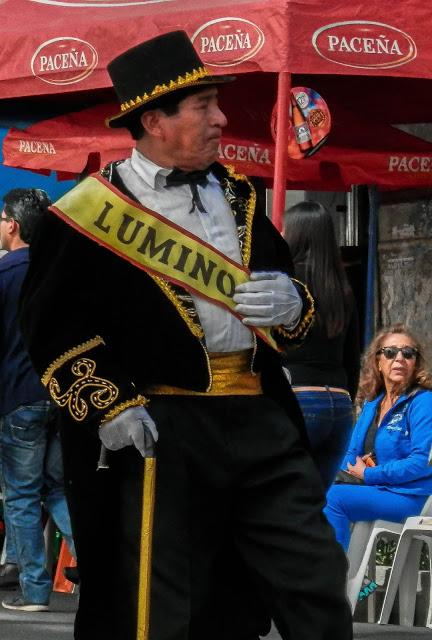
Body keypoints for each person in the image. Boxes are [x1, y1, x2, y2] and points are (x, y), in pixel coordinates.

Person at [19, 31, 352, 640]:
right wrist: (109, 406)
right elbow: (51, 328)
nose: (222, 119)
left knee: (313, 575)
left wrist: (290, 302)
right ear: (156, 121)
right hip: (162, 423)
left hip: (260, 416)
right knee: (165, 597)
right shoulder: (84, 214)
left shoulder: (241, 194)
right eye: (204, 107)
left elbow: (291, 301)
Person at [0, 188, 75, 612]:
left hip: (18, 397)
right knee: (59, 488)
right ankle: (105, 573)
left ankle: (33, 590)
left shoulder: (5, 274)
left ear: (12, 223)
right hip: (63, 395)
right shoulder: (61, 273)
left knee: (22, 494)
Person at [325, 323, 432, 596]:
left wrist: (371, 474)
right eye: (391, 352)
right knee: (314, 491)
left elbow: (421, 462)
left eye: (408, 353)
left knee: (334, 498)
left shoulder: (423, 402)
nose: (399, 358)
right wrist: (355, 470)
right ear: (378, 361)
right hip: (379, 490)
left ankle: (332, 587)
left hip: (411, 498)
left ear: (416, 362)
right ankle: (335, 581)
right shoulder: (374, 404)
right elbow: (350, 453)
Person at [282, 201, 360, 488]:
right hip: (339, 403)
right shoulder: (342, 289)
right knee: (317, 503)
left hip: (299, 395)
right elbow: (352, 356)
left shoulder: (287, 285)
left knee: (285, 497)